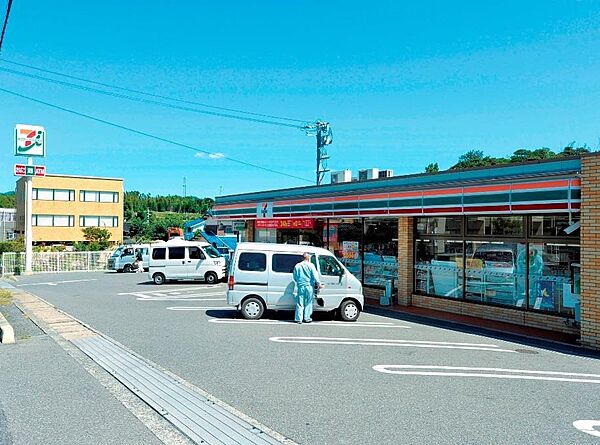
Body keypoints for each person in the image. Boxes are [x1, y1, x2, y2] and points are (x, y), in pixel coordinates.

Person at [292, 253, 323, 324]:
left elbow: (295, 276)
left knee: (300, 302)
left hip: (300, 286)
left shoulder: (297, 265)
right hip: (309, 286)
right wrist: (319, 284)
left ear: (303, 258)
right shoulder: (311, 265)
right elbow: (315, 276)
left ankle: (298, 319)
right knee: (308, 302)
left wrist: (299, 282)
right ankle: (307, 318)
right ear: (308, 258)